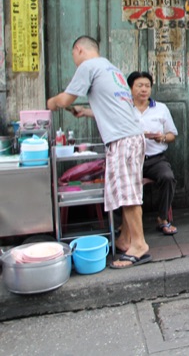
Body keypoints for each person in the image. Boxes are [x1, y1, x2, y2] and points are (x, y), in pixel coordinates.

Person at [46, 36, 150, 269]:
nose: (74, 61)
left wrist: (51, 102)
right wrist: (85, 112)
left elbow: (65, 99)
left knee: (128, 194)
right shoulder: (111, 69)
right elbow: (114, 107)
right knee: (126, 192)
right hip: (131, 136)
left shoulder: (88, 66)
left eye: (74, 55)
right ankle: (125, 239)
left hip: (123, 139)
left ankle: (139, 246)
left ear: (79, 49)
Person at [128, 71, 179, 236]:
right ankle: (125, 224)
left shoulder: (161, 108)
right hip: (130, 159)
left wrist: (162, 137)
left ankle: (162, 218)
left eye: (147, 86)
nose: (144, 90)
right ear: (130, 88)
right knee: (121, 181)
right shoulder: (124, 109)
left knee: (168, 177)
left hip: (155, 160)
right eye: (139, 86)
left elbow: (172, 135)